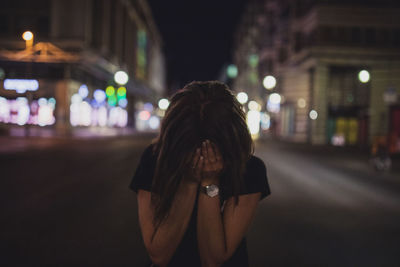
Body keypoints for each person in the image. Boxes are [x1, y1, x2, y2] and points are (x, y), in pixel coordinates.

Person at [130, 81, 271, 267]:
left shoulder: (249, 169)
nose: (202, 156)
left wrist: (209, 183)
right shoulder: (156, 160)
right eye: (192, 148)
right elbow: (158, 254)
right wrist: (189, 183)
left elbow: (212, 260)